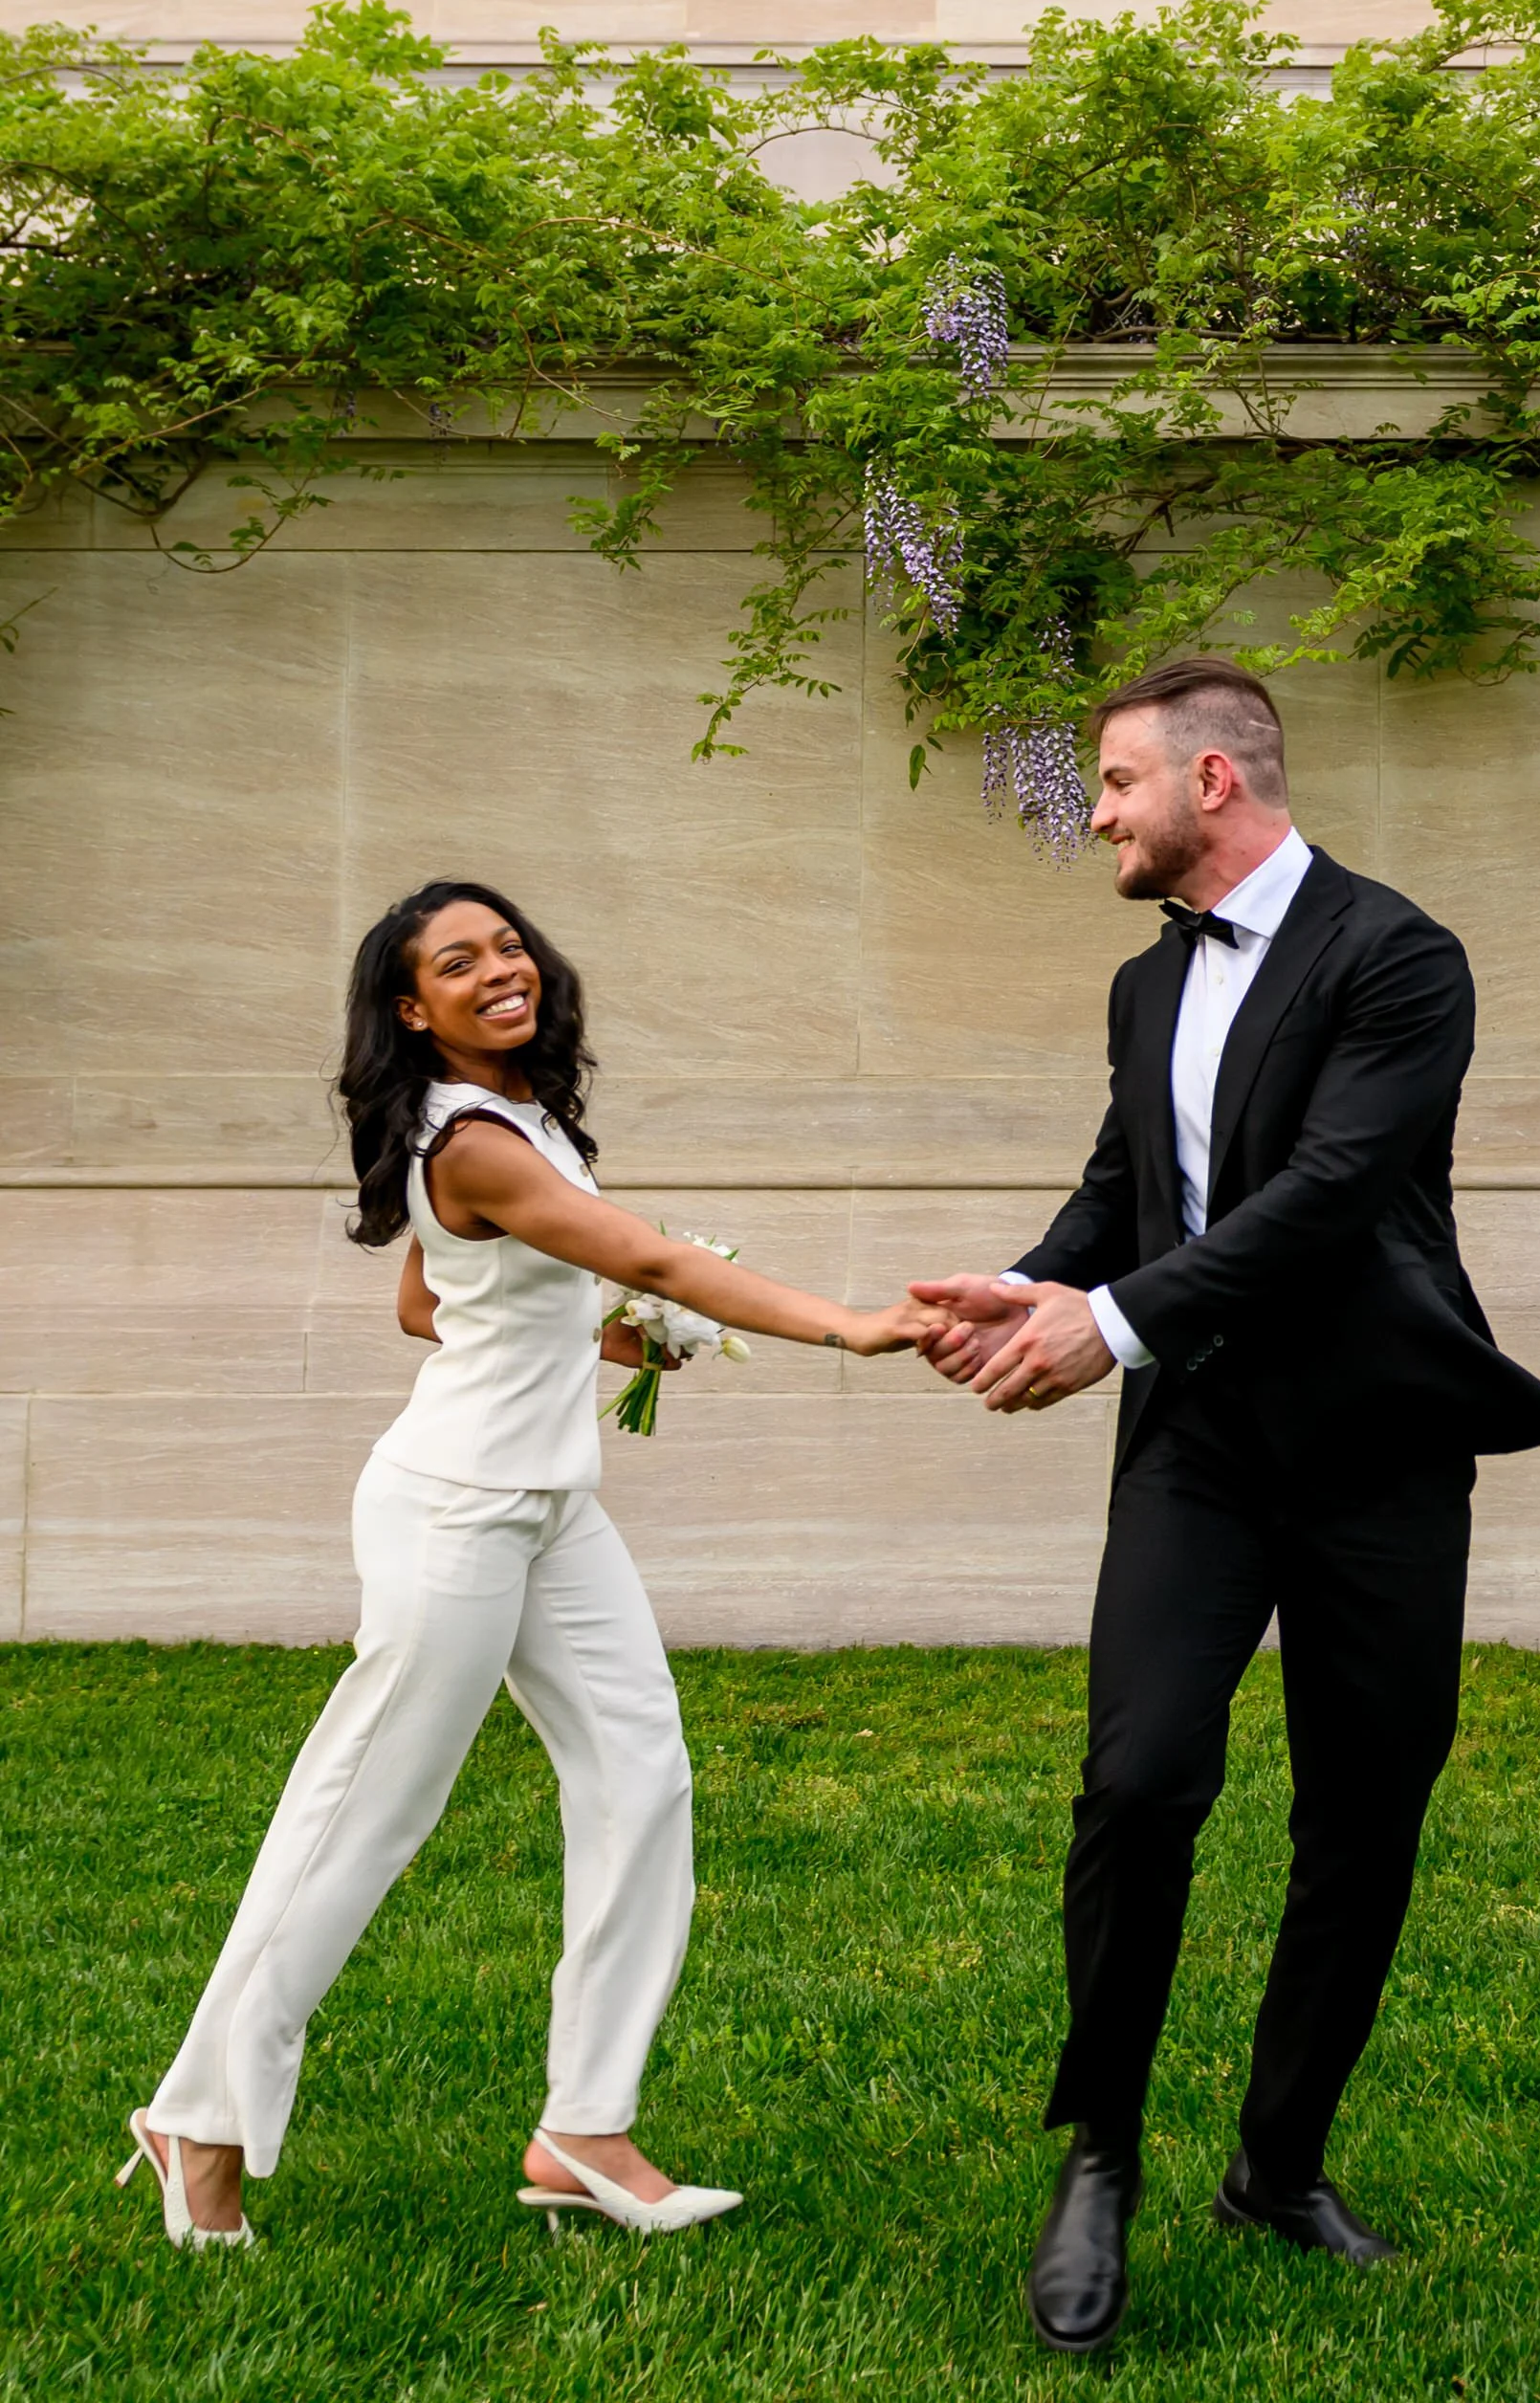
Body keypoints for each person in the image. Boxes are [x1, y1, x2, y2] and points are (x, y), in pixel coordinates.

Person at [119, 877, 949, 2251]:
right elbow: (646, 1256)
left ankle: (585, 2129)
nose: (501, 970)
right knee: (358, 1821)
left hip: (549, 1509)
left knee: (640, 1777)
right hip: (453, 1514)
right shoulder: (478, 1140)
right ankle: (197, 2121)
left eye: (508, 945)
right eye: (459, 963)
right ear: (411, 1008)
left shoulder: (522, 1123)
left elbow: (426, 1305)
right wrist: (851, 1327)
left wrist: (614, 1344)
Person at [913, 657, 1540, 2358]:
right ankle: (1101, 2157)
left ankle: (1278, 2165)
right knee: (1139, 1783)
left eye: (1116, 786)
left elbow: (1332, 1193)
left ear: (1213, 781)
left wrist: (1112, 1324)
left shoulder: (1402, 955)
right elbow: (1127, 1189)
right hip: (1198, 1450)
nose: (1100, 819)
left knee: (1362, 1819)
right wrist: (1018, 1286)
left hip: (1377, 1453)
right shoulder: (1148, 988)